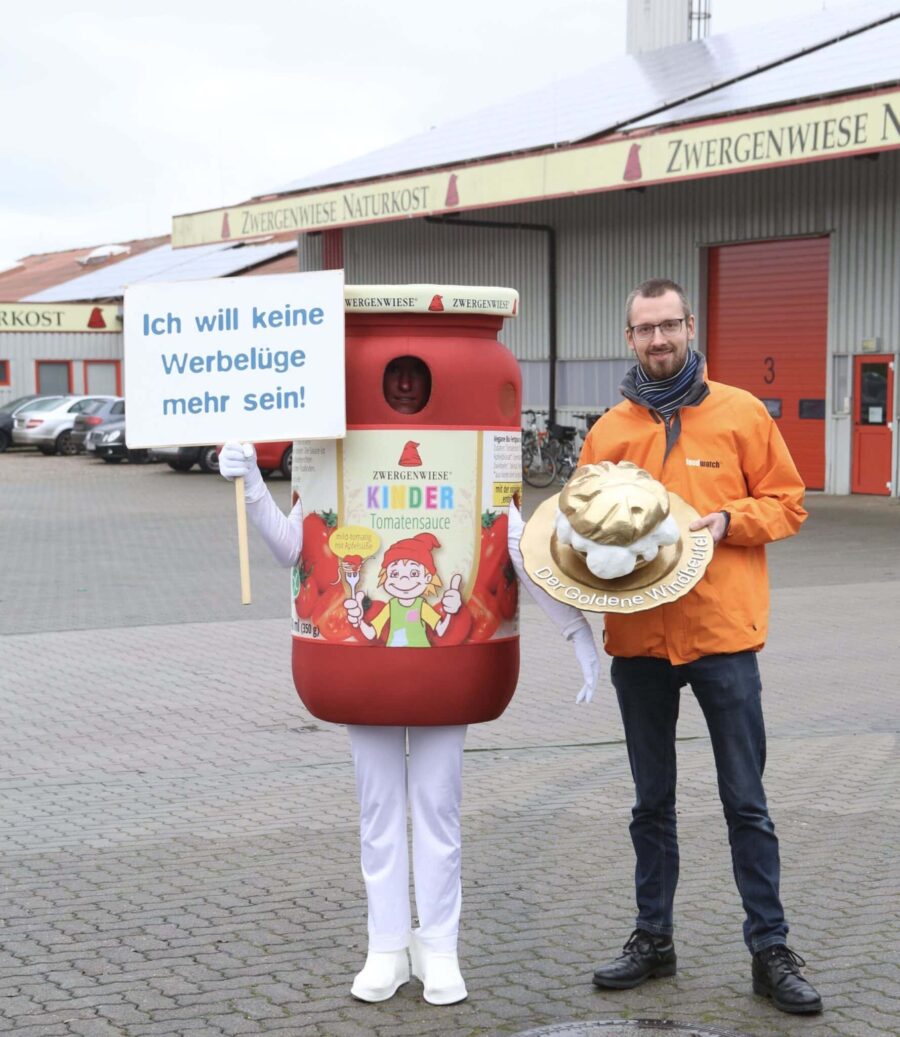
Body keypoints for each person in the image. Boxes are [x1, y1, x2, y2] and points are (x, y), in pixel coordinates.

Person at [218, 354, 601, 1006]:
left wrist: (576, 633)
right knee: (378, 813)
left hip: (447, 671)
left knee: (437, 810)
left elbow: (520, 548)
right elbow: (292, 549)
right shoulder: (327, 451)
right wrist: (252, 481)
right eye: (391, 372)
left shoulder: (477, 451)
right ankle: (386, 944)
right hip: (362, 672)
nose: (403, 383)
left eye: (414, 374)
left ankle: (440, 945)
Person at [579, 277, 822, 1015]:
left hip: (722, 638)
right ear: (629, 338)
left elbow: (788, 503)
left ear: (690, 326)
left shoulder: (741, 412)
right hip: (639, 643)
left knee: (746, 802)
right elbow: (582, 529)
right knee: (650, 804)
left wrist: (728, 522)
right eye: (645, 328)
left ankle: (770, 950)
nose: (659, 339)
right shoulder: (609, 431)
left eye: (669, 325)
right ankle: (654, 940)